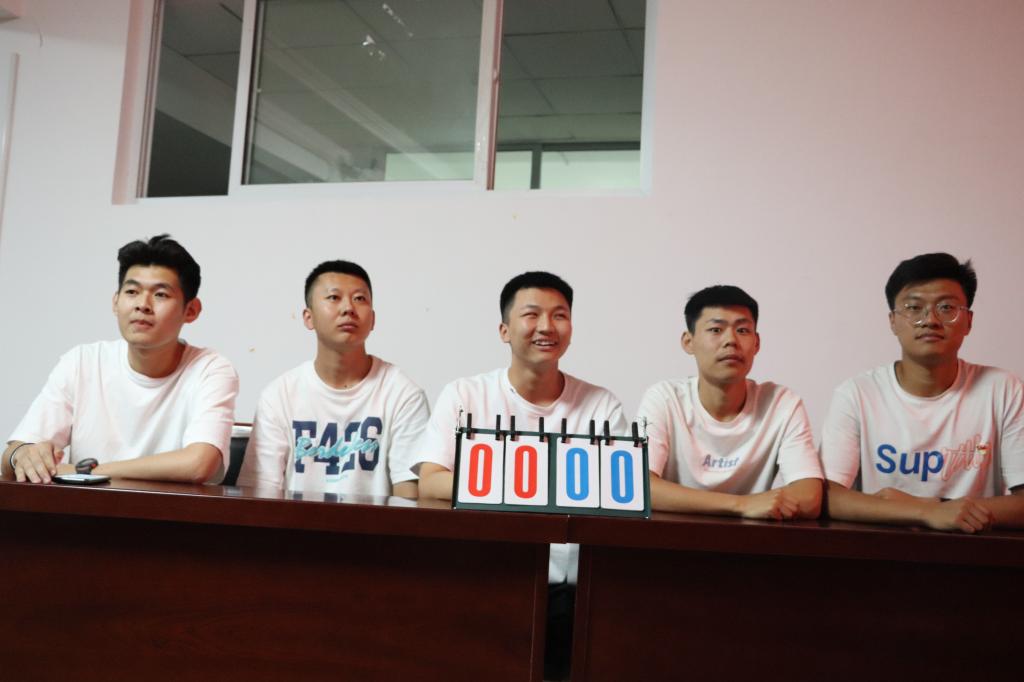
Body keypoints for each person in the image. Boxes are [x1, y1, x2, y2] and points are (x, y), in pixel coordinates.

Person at [414, 271, 627, 681]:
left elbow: (617, 494)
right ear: (504, 330)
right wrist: (527, 484)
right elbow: (432, 481)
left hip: (571, 585)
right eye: (532, 315)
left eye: (559, 315)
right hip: (484, 573)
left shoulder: (601, 405)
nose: (547, 326)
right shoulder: (465, 395)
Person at [2, 234, 238, 483]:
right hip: (87, 507)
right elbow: (12, 456)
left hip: (172, 508)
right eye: (132, 291)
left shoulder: (210, 369)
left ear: (191, 310)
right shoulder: (82, 362)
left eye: (160, 294)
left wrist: (83, 472)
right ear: (116, 302)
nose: (142, 305)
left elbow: (199, 464)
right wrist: (22, 455)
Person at [821, 252, 1024, 532]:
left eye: (946, 307)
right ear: (893, 321)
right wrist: (926, 511)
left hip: (973, 551)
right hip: (879, 550)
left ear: (968, 321)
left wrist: (936, 506)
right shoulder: (857, 394)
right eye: (914, 308)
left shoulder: (1003, 389)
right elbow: (827, 497)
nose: (930, 320)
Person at [237, 260, 429, 497]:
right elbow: (260, 493)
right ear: (308, 317)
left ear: (373, 320)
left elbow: (408, 496)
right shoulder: (279, 395)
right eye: (334, 297)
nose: (348, 308)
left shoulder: (403, 393)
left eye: (359, 298)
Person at [636, 285, 822, 519]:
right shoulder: (664, 398)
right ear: (688, 341)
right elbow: (640, 487)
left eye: (742, 330)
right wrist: (741, 505)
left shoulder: (781, 403)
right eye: (716, 329)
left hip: (750, 539)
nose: (731, 340)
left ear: (757, 343)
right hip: (673, 536)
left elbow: (810, 498)